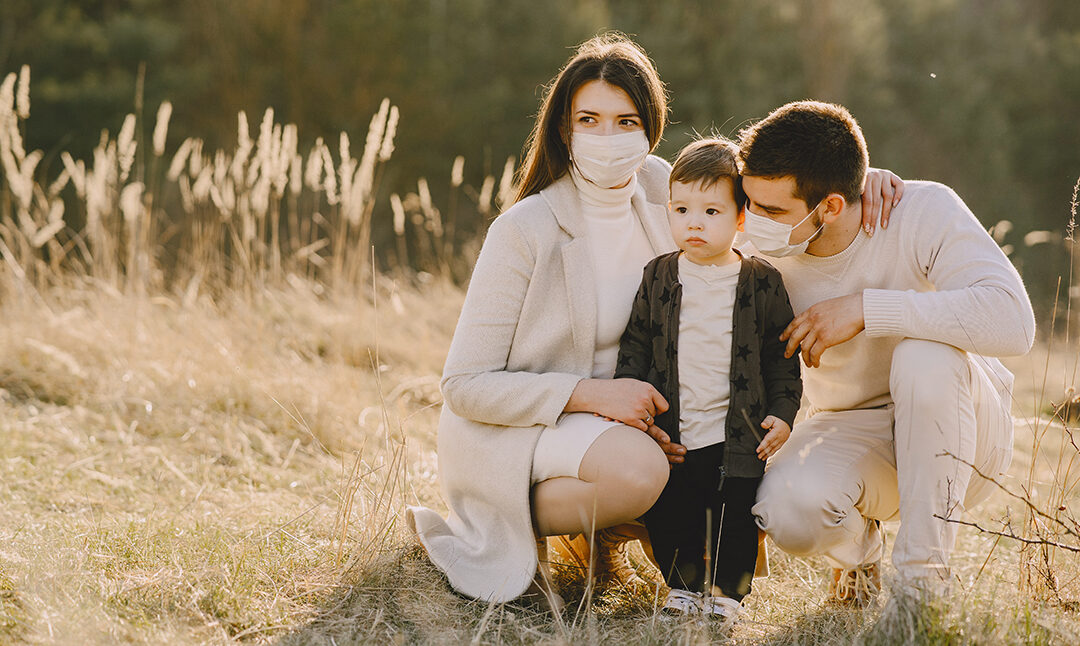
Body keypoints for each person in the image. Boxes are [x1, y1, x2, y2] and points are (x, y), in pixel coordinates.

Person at [405, 34, 903, 606]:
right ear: (564, 130)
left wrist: (861, 181)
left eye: (626, 121)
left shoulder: (661, 187)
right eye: (588, 119)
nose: (608, 138)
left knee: (717, 461)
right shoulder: (523, 230)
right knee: (644, 473)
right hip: (529, 424)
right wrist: (592, 395)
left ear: (652, 127)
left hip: (638, 420)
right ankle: (507, 517)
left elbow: (767, 186)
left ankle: (622, 526)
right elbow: (463, 386)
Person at [739, 101, 1036, 606]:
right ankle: (859, 557)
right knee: (789, 512)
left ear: (831, 206)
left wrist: (867, 309)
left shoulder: (920, 210)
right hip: (855, 428)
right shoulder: (756, 253)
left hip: (965, 431)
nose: (752, 222)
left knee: (924, 356)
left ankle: (922, 590)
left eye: (770, 212)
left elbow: (1014, 322)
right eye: (749, 204)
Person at [614, 138, 801, 618]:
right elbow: (635, 344)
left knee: (734, 515)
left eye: (712, 211)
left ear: (741, 217)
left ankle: (727, 595)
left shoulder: (761, 282)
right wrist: (632, 409)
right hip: (674, 429)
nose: (693, 222)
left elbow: (781, 357)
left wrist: (782, 414)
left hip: (737, 432)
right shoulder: (658, 276)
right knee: (671, 508)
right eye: (681, 208)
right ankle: (681, 586)